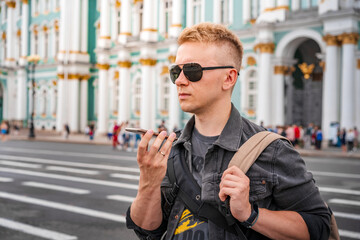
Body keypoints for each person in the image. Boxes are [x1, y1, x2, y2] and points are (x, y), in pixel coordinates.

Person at [126, 23, 330, 240]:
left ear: (229, 78)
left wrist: (250, 214)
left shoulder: (270, 149)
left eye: (192, 71)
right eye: (175, 71)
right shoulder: (171, 148)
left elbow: (319, 227)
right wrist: (148, 183)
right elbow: (148, 230)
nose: (179, 81)